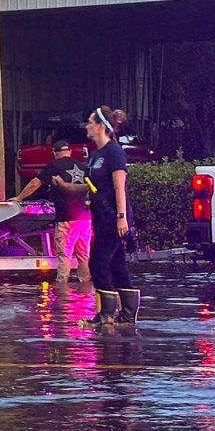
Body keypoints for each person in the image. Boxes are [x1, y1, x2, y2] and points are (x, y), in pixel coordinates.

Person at [82, 104, 139, 326]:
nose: (87, 126)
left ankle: (106, 313)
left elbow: (119, 187)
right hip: (100, 217)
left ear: (100, 126)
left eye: (90, 122)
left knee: (97, 262)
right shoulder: (96, 155)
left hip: (114, 219)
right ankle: (127, 314)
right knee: (117, 265)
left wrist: (122, 217)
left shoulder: (114, 152)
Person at [8, 139, 92, 285]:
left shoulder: (54, 165)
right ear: (70, 151)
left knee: (64, 255)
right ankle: (85, 287)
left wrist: (20, 197)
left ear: (54, 153)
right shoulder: (83, 166)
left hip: (66, 219)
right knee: (84, 255)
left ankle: (62, 289)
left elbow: (35, 183)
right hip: (85, 218)